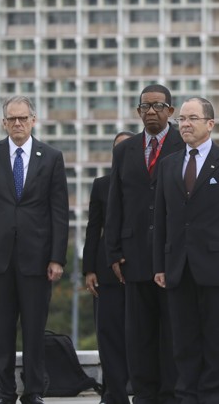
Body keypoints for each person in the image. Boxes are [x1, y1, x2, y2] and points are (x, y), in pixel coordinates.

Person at [0, 95, 69, 404]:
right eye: (11, 119)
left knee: (35, 328)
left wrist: (56, 257)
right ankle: (6, 391)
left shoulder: (51, 157)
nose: (17, 124)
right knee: (3, 329)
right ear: (3, 123)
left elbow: (59, 212)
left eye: (23, 118)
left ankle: (34, 390)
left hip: (37, 259)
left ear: (34, 120)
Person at [153, 97, 219, 404]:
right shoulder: (169, 163)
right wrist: (160, 264)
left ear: (210, 124)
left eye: (192, 118)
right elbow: (161, 218)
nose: (185, 124)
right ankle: (187, 396)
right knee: (183, 341)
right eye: (181, 119)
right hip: (178, 266)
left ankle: (217, 397)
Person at [105, 84, 183, 404]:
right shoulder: (125, 150)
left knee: (172, 330)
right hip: (134, 254)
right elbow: (115, 202)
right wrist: (113, 251)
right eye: (145, 107)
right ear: (138, 112)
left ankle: (171, 394)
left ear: (171, 111)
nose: (151, 112)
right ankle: (145, 395)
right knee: (139, 333)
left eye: (158, 106)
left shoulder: (183, 144)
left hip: (173, 254)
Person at [83, 131, 135, 404]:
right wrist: (88, 269)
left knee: (139, 335)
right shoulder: (101, 184)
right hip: (106, 272)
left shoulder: (149, 182)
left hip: (140, 270)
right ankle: (113, 393)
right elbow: (93, 229)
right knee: (109, 335)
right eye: (118, 149)